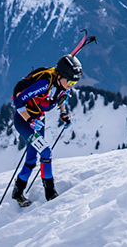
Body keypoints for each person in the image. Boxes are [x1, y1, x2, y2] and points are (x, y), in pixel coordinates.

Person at [10, 53, 82, 205]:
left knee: (31, 158)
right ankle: (50, 193)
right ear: (60, 76)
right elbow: (18, 101)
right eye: (70, 81)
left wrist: (63, 114)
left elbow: (61, 97)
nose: (72, 85)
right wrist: (29, 120)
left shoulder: (63, 84)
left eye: (75, 82)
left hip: (38, 119)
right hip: (24, 121)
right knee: (46, 151)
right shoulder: (44, 83)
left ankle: (18, 192)